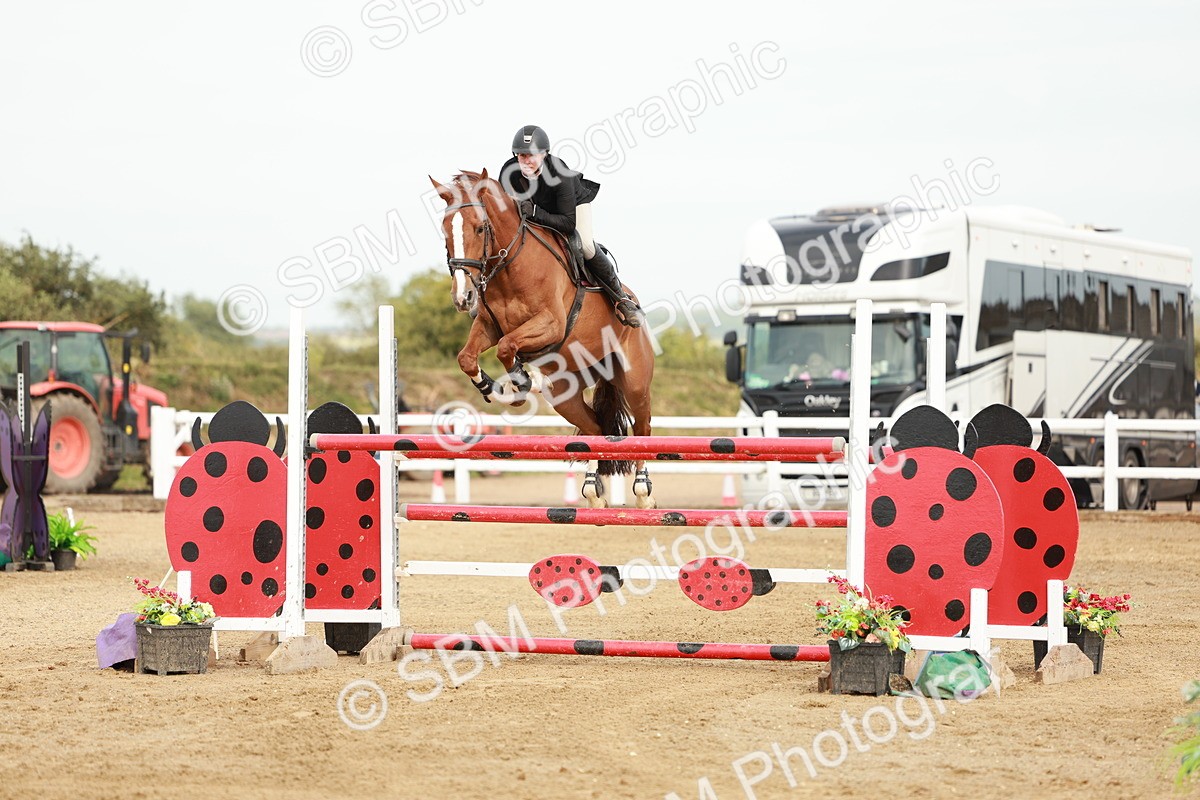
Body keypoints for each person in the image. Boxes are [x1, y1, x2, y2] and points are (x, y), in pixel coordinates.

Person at [498, 125, 641, 327]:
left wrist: (536, 212)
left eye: (531, 155)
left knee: (585, 245)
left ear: (544, 154)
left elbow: (567, 223)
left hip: (571, 207)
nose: (526, 161)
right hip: (536, 211)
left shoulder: (560, 174)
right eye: (521, 156)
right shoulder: (509, 172)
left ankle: (621, 298)